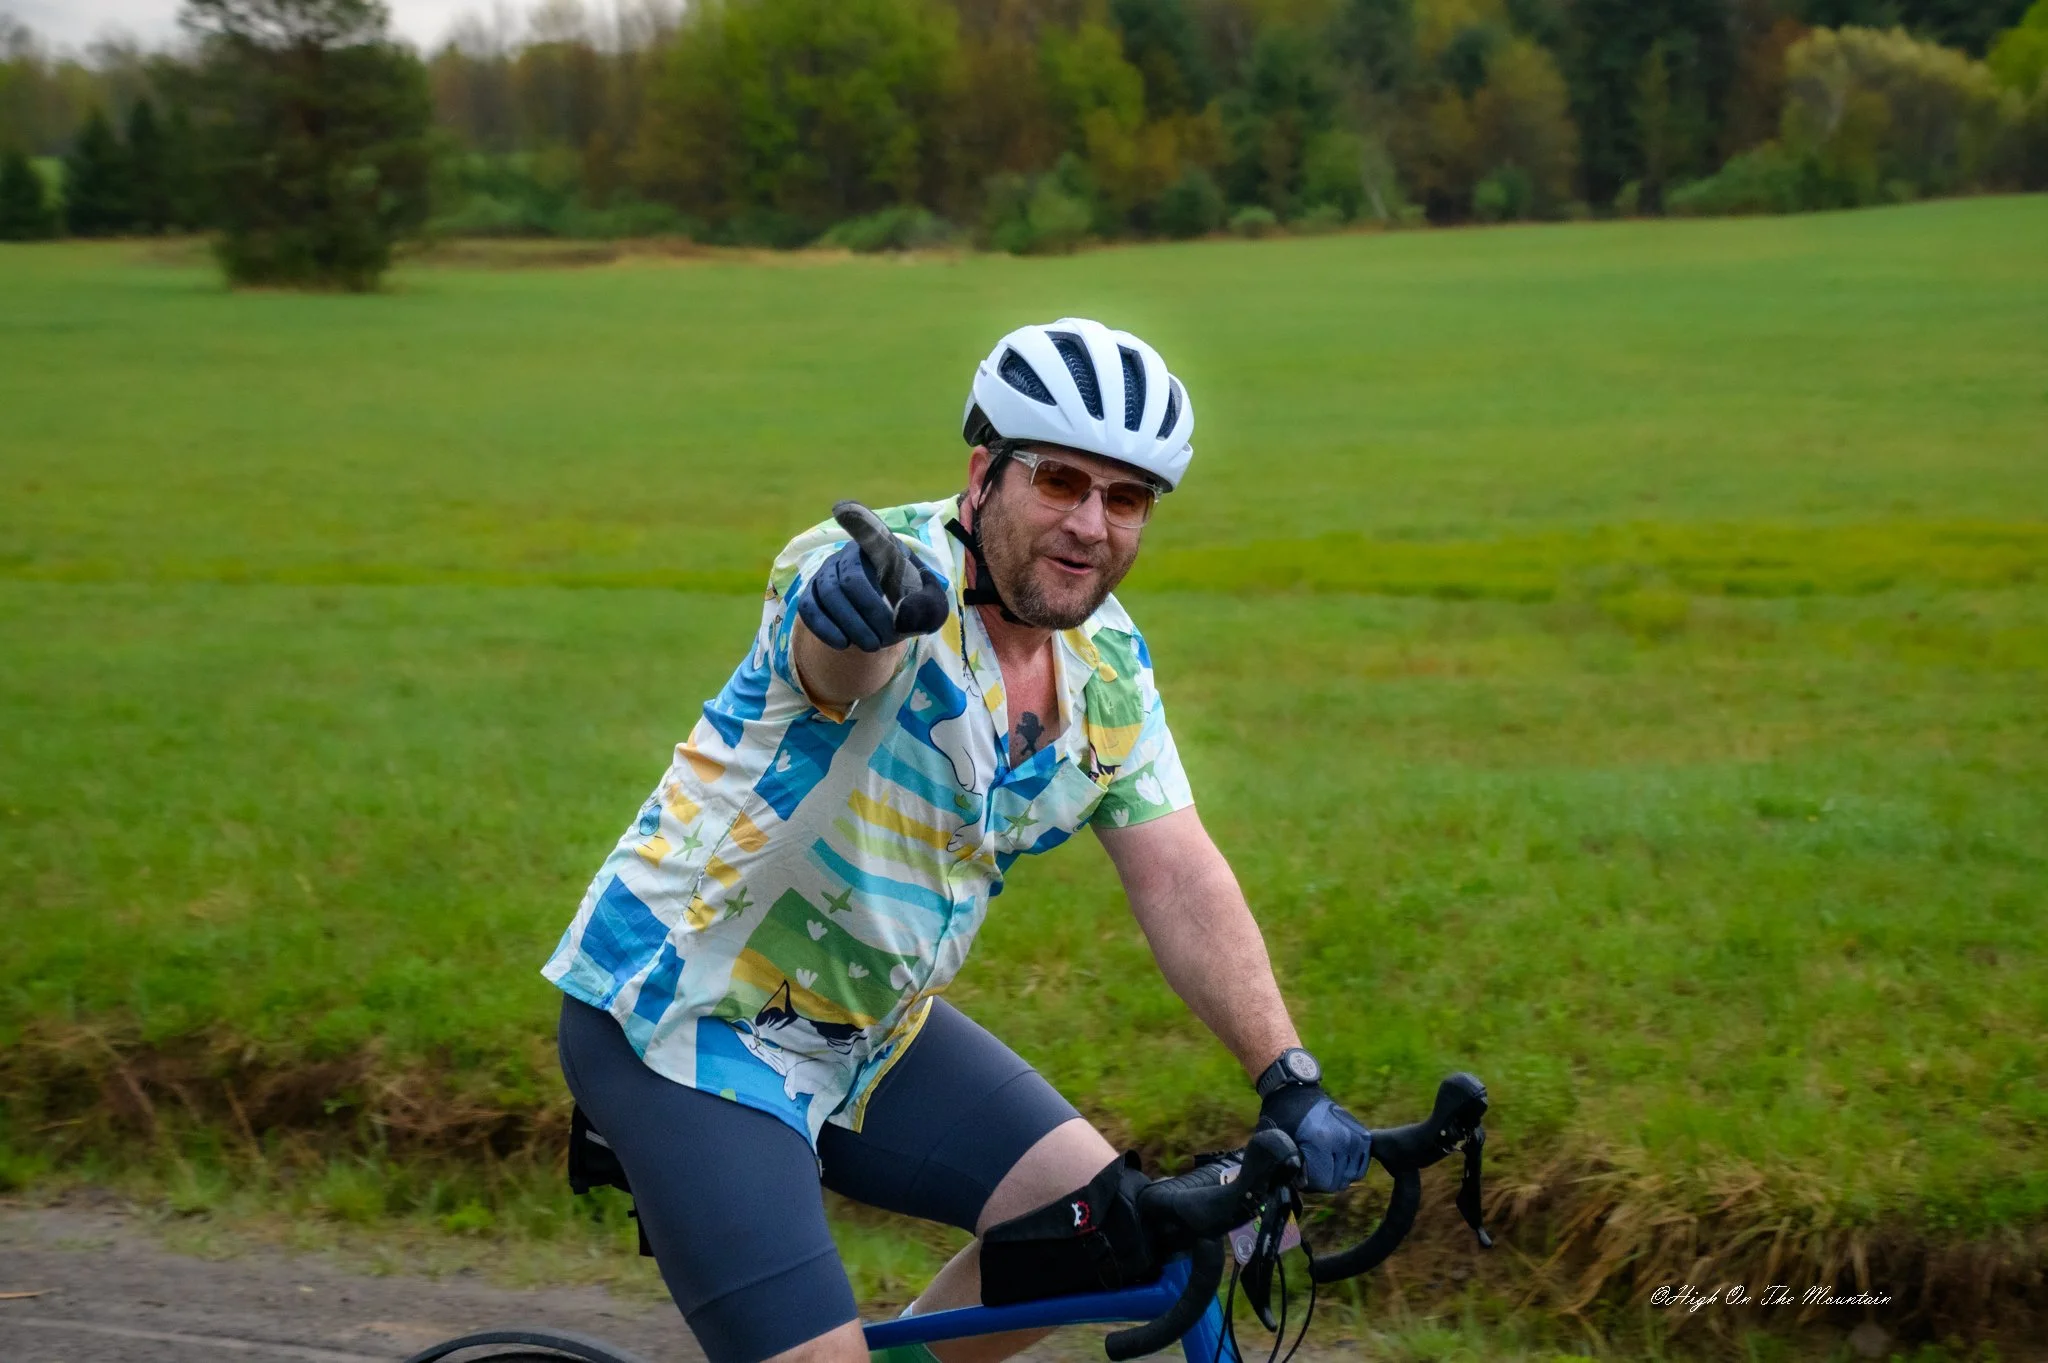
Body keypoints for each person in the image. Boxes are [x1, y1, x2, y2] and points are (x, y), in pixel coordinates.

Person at [542, 318, 1372, 1363]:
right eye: (1059, 481)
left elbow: (1178, 874)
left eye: (1124, 499)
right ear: (983, 472)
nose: (1089, 524)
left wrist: (1284, 1073)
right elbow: (832, 659)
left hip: (870, 1030)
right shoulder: (873, 571)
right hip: (686, 1019)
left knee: (1103, 1238)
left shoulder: (1108, 667)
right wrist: (849, 620)